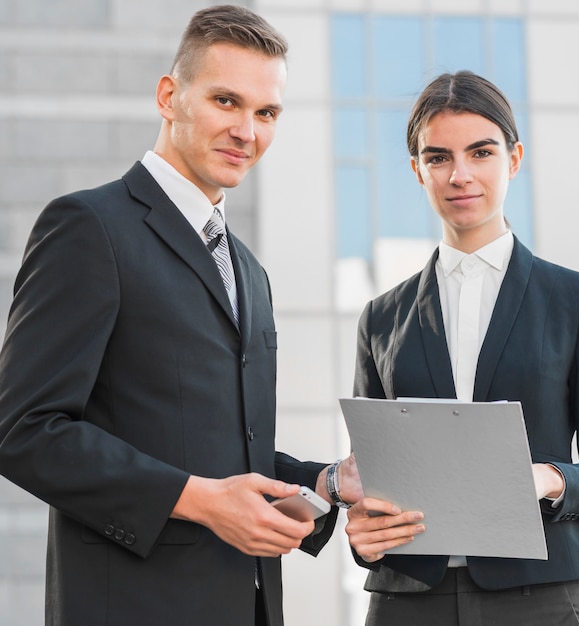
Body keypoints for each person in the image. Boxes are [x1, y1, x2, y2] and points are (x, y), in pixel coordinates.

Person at [0, 5, 358, 626]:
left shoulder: (248, 270)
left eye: (266, 112)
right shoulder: (90, 228)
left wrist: (323, 483)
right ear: (170, 96)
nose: (247, 130)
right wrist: (199, 501)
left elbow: (226, 450)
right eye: (226, 101)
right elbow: (23, 430)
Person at [343, 70, 579, 625]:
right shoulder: (380, 318)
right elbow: (371, 479)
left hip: (539, 592)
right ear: (416, 170)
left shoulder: (578, 299)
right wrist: (363, 533)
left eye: (481, 152)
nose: (461, 175)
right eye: (439, 157)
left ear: (514, 158)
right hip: (406, 598)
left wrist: (547, 477)